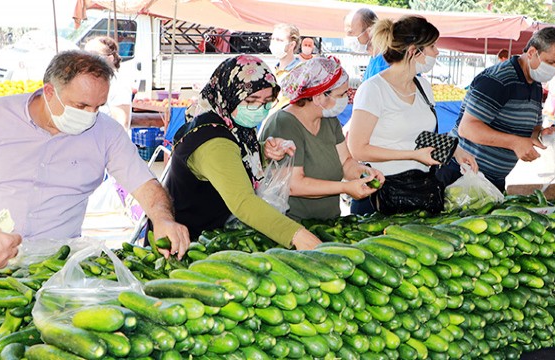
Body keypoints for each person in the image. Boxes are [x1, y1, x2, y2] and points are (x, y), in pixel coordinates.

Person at [0, 50, 190, 259]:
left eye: (98, 107)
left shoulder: (106, 133)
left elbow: (146, 185)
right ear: (49, 92)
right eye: (81, 105)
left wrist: (163, 219)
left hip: (57, 264)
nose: (90, 115)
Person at [164, 55, 322, 250]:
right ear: (230, 94)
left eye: (266, 101)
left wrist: (263, 151)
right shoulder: (214, 140)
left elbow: (231, 162)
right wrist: (297, 236)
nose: (259, 108)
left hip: (209, 238)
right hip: (186, 244)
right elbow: (243, 202)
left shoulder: (230, 123)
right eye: (251, 100)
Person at [347, 15, 478, 215]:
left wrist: (455, 150)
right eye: (432, 46)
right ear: (413, 51)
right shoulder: (373, 89)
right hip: (379, 192)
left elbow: (418, 135)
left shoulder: (423, 86)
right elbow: (358, 149)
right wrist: (412, 155)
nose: (437, 52)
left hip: (420, 190)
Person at [437, 27, 555, 191]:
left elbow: (530, 129)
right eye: (550, 62)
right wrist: (515, 143)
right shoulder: (498, 80)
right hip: (461, 172)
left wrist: (541, 133)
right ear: (531, 52)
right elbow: (467, 128)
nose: (553, 69)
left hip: (492, 179)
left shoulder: (535, 84)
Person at [260, 57, 384, 221]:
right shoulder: (284, 124)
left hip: (329, 222)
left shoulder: (329, 120)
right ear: (319, 97)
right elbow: (294, 185)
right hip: (292, 225)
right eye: (342, 94)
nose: (346, 99)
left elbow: (346, 162)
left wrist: (364, 173)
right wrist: (345, 188)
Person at [84, 36, 133, 131]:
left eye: (93, 55)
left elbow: (121, 123)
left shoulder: (117, 84)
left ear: (110, 59)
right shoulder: (95, 81)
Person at [344, 8, 389, 81]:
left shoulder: (385, 60)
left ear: (369, 31)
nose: (349, 37)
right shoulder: (374, 58)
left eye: (351, 32)